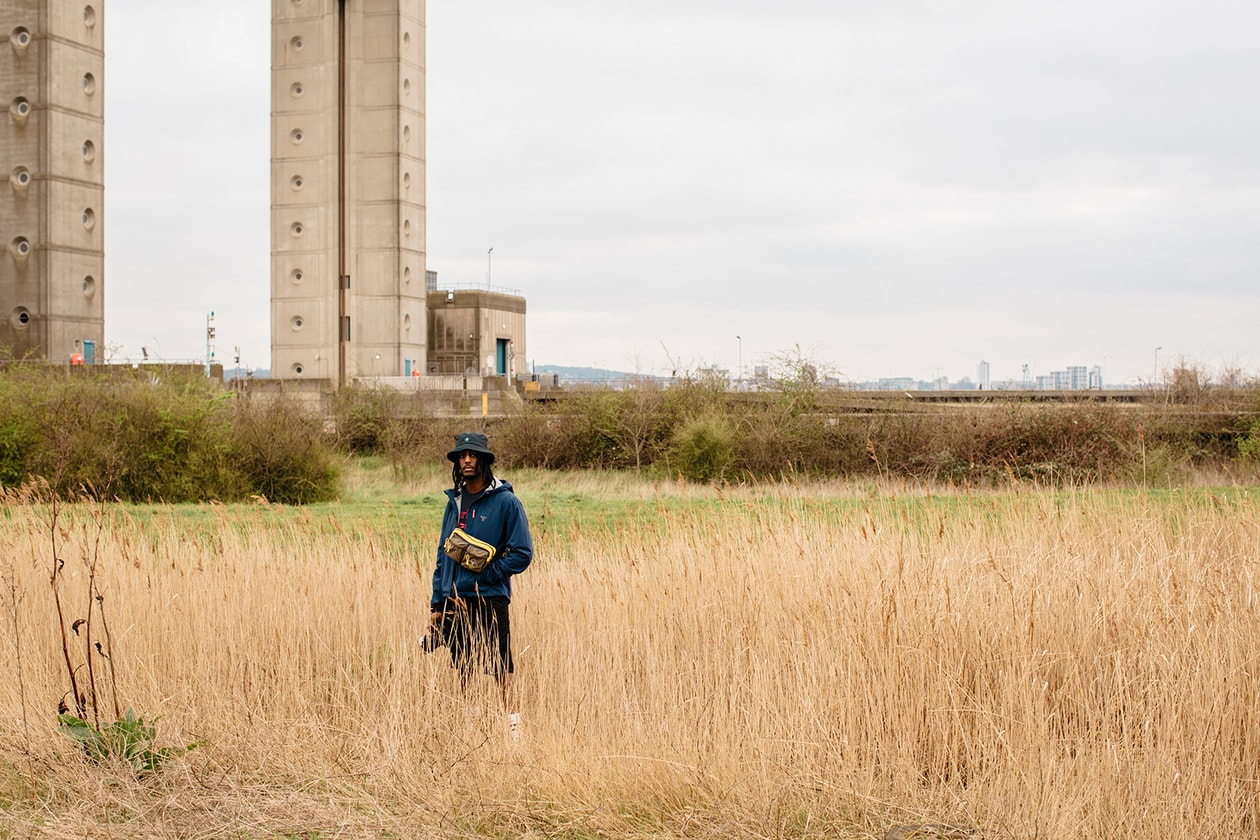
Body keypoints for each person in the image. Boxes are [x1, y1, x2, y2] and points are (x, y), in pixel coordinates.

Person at [430, 431, 533, 735]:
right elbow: (443, 556)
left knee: (502, 667)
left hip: (490, 597)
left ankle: (515, 733)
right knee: (464, 667)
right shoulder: (455, 502)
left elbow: (522, 554)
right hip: (455, 600)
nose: (466, 460)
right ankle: (471, 731)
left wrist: (487, 575)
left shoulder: (506, 502)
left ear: (485, 460)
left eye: (473, 455)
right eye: (462, 456)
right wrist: (438, 602)